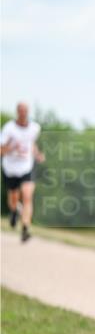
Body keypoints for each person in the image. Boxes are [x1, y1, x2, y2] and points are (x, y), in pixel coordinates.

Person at [1, 102, 44, 243]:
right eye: (21, 110)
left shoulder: (34, 128)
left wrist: (37, 154)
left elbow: (31, 143)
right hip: (11, 168)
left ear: (28, 112)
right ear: (17, 112)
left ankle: (25, 228)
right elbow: (1, 150)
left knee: (27, 196)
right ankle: (14, 212)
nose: (23, 113)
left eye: (26, 110)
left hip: (26, 167)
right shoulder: (9, 128)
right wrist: (12, 149)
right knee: (14, 198)